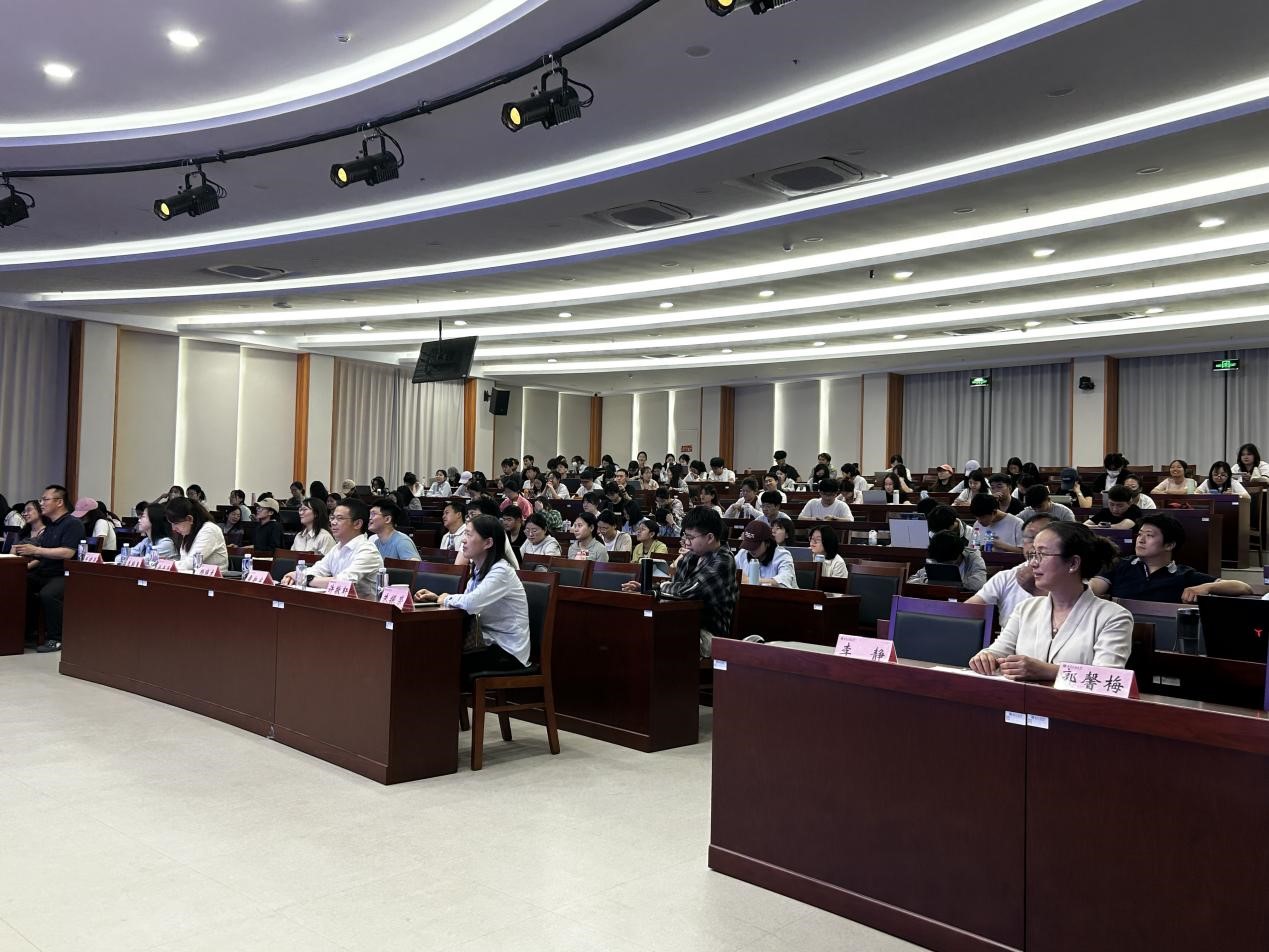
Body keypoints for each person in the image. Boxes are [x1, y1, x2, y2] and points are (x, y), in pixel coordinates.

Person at [968, 522, 1132, 679]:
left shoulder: (1113, 616)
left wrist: (1049, 671)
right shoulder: (1026, 608)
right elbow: (999, 651)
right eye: (1033, 554)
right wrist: (986, 658)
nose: (1033, 563)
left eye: (1043, 554)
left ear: (1073, 563)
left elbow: (1108, 677)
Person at [414, 515, 531, 680]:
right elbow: (468, 600)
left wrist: (445, 599)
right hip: (485, 642)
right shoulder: (478, 569)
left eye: (469, 534)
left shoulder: (501, 571)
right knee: (433, 652)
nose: (463, 540)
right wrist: (437, 598)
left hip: (508, 650)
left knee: (442, 660)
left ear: (488, 543)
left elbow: (471, 604)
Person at [622, 508, 738, 657]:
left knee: (653, 639)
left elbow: (690, 590)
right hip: (681, 622)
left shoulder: (723, 560)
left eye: (691, 537)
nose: (686, 543)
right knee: (636, 630)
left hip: (708, 635)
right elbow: (675, 591)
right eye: (685, 536)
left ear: (709, 537)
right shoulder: (691, 556)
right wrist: (648, 589)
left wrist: (659, 588)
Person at [1088, 514, 1253, 603]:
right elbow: (1094, 588)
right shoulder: (1119, 564)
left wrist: (1206, 587)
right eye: (1139, 534)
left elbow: (1244, 587)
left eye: (1149, 535)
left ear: (1169, 545)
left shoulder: (1184, 575)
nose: (1140, 540)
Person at [15, 485, 86, 652]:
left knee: (49, 594)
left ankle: (56, 638)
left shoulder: (72, 524)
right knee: (16, 584)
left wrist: (36, 550)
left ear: (59, 502)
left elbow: (68, 553)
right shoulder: (51, 526)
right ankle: (22, 631)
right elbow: (41, 554)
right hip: (44, 572)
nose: (41, 503)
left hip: (63, 574)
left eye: (45, 500)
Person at [281, 498, 384, 598]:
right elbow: (318, 569)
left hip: (364, 607)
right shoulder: (337, 548)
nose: (333, 522)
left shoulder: (368, 551)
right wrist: (294, 574)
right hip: (340, 603)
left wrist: (305, 578)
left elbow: (344, 582)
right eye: (332, 518)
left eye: (339, 518)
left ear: (357, 524)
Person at [968, 513, 1054, 627]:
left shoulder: (1070, 577)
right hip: (1009, 638)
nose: (1035, 545)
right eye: (1030, 538)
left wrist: (1037, 592)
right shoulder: (1005, 577)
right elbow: (968, 610)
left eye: (1042, 538)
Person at [907, 530, 986, 592]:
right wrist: (927, 581)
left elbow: (979, 584)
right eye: (942, 563)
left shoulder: (974, 559)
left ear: (960, 554)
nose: (945, 565)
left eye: (950, 563)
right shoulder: (938, 557)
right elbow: (911, 581)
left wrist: (942, 583)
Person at [165, 497, 228, 572]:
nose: (173, 528)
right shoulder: (189, 532)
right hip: (194, 575)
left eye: (176, 523)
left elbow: (191, 563)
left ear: (189, 519)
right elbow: (185, 563)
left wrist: (167, 564)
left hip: (216, 577)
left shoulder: (209, 530)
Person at [734, 519, 797, 588]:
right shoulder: (743, 552)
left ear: (767, 543)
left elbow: (784, 582)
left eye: (755, 546)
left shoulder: (783, 556)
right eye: (748, 545)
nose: (750, 549)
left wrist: (750, 581)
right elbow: (729, 570)